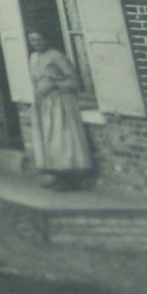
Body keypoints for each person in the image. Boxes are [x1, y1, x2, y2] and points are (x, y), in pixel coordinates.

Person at [27, 31, 95, 190]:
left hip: (60, 102)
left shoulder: (57, 56)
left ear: (46, 39)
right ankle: (57, 174)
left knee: (61, 137)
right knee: (48, 139)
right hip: (43, 103)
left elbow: (75, 82)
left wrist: (55, 85)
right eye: (32, 40)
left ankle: (71, 178)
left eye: (39, 39)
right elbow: (36, 80)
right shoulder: (33, 57)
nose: (36, 43)